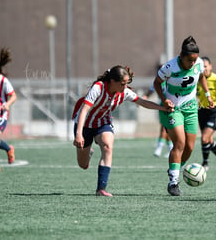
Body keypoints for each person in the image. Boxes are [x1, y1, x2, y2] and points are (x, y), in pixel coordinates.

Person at [72, 65, 172, 197]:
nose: (125, 87)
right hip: (84, 125)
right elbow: (84, 110)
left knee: (108, 146)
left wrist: (163, 108)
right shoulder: (98, 87)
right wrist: (79, 134)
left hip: (103, 122)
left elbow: (142, 102)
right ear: (112, 81)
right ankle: (88, 151)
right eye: (123, 83)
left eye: (127, 83)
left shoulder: (124, 92)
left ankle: (101, 189)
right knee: (83, 165)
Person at [153, 36, 214, 196]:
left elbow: (201, 77)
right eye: (189, 60)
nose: (193, 63)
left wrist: (208, 95)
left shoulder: (199, 63)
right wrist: (165, 99)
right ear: (181, 56)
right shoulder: (170, 67)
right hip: (172, 109)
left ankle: (175, 168)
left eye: (195, 60)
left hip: (191, 108)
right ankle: (173, 182)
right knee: (179, 143)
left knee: (190, 147)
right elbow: (156, 83)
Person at [142, 81, 173, 158]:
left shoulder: (172, 79)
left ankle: (160, 148)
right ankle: (170, 149)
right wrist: (143, 99)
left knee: (165, 128)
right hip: (162, 107)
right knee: (165, 128)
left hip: (172, 106)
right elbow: (150, 91)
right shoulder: (158, 82)